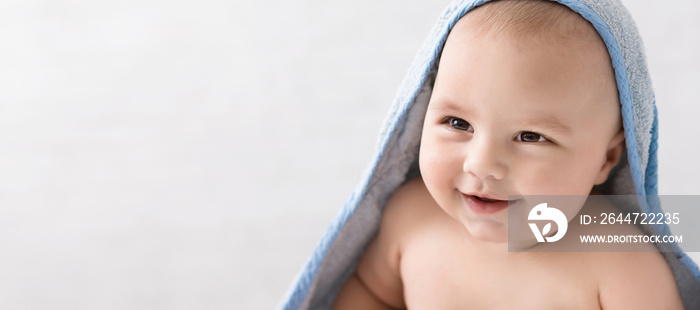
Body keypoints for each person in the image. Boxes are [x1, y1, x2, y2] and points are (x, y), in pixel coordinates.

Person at [330, 1, 683, 309]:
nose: (481, 164)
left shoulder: (622, 261)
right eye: (457, 122)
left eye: (530, 136)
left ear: (606, 159)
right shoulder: (409, 220)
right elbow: (372, 293)